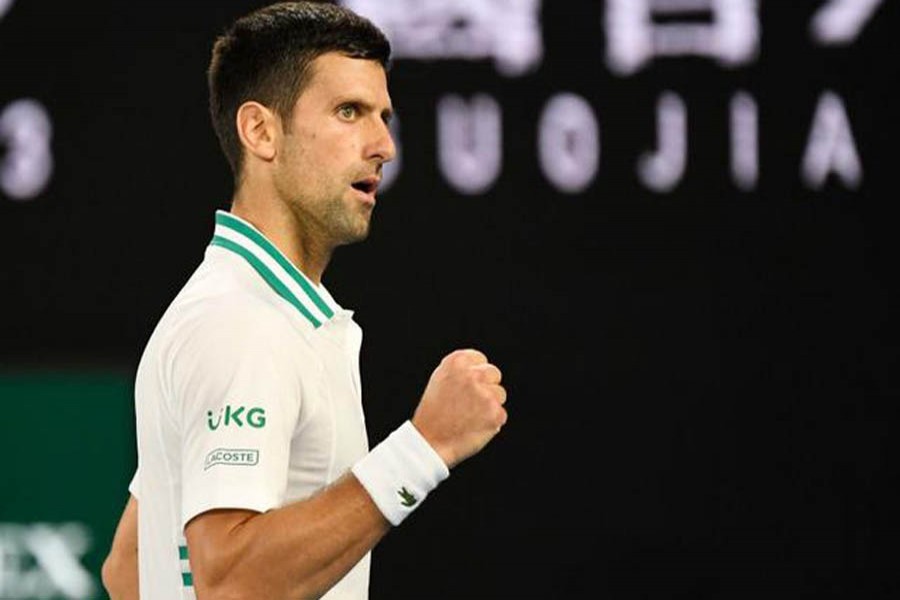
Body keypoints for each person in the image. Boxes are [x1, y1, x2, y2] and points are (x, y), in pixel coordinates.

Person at [100, 2, 508, 599]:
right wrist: (425, 447)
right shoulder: (241, 325)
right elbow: (232, 583)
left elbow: (131, 563)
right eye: (349, 112)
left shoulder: (257, 309)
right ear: (260, 131)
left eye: (383, 116)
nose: (383, 146)